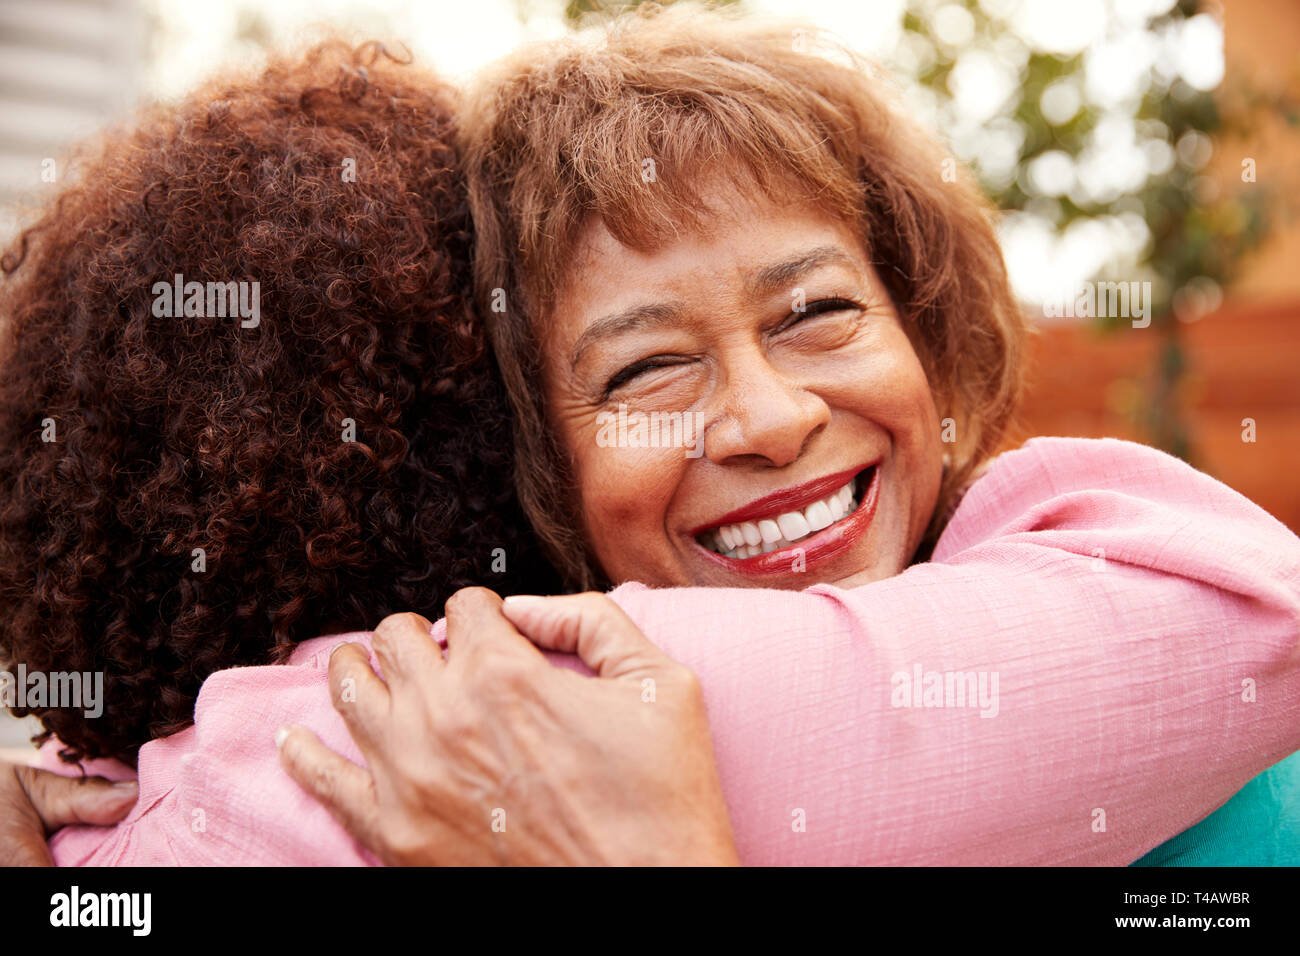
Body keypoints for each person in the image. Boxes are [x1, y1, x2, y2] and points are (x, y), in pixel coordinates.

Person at [8, 12, 1300, 866]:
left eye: (818, 312)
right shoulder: (453, 742)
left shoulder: (1107, 580)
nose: (769, 415)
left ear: (923, 316)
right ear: (518, 460)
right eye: (648, 367)